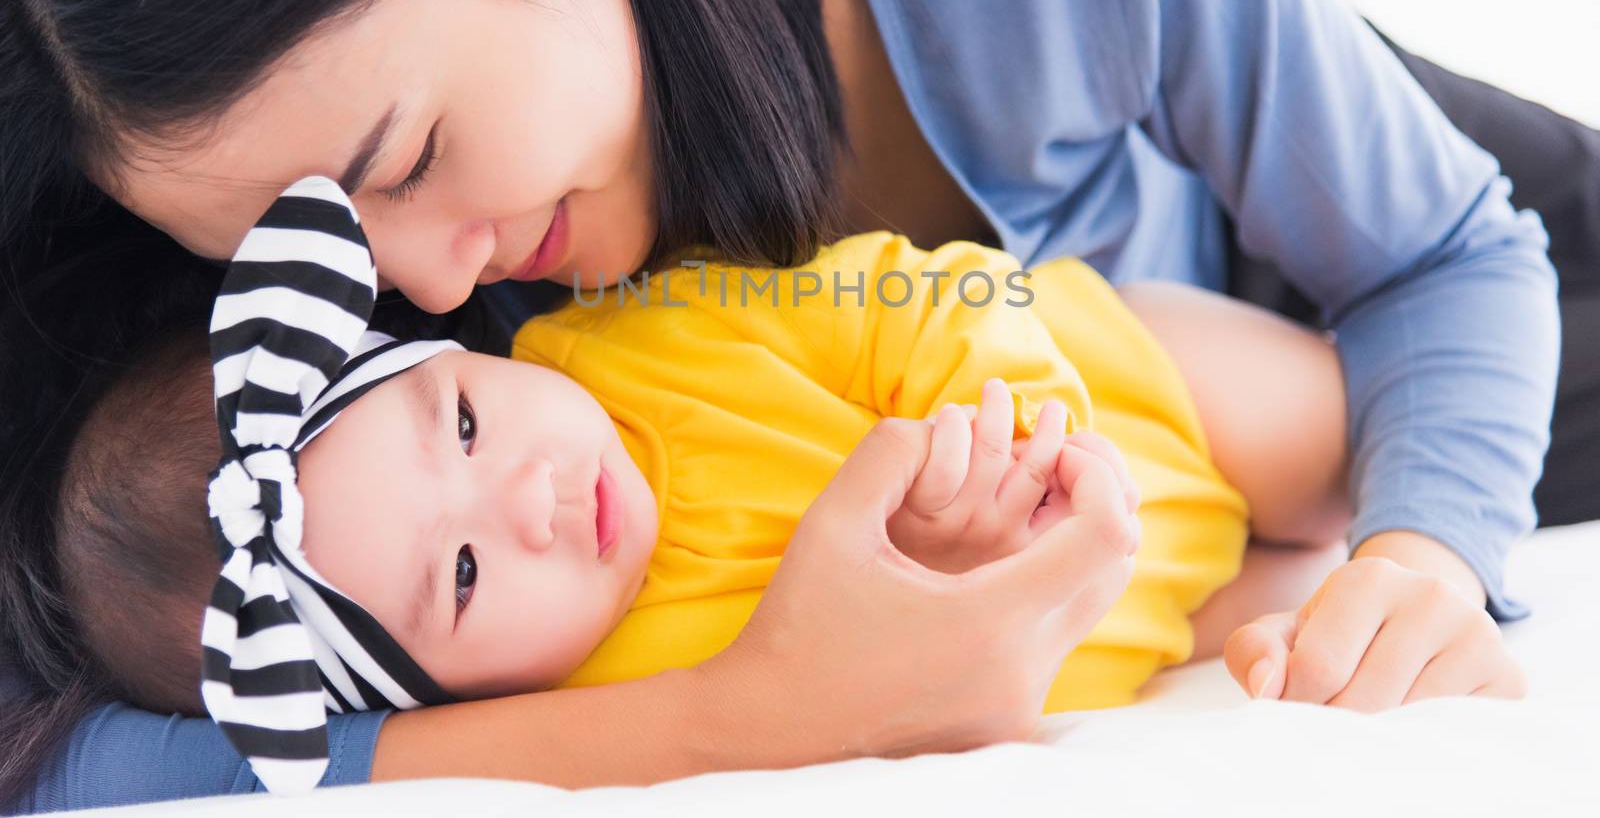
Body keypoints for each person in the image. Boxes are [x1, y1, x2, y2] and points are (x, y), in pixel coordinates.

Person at [0, 0, 1580, 810]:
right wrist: (746, 719)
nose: (414, 285)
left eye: (404, 160)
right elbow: (77, 757)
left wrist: (1430, 558)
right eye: (315, 253)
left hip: (1284, 235)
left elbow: (1438, 253)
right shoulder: (287, 369)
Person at [33, 177, 1509, 798]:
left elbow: (894, 294)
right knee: (1298, 631)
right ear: (440, 697)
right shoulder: (633, 693)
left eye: (467, 428)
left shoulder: (623, 335)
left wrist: (1012, 429)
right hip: (1119, 622)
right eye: (466, 579)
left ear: (449, 351)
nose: (531, 501)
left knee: (1339, 444)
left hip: (1125, 385)